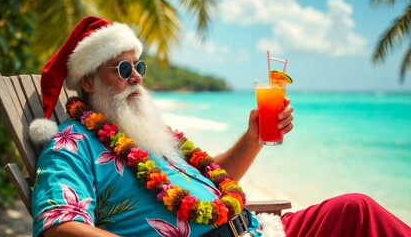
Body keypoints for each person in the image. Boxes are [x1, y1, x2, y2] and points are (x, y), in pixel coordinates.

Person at [29, 16, 411, 237]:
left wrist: (255, 138)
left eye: (139, 67)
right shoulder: (71, 148)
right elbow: (58, 225)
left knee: (357, 210)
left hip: (256, 228)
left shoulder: (145, 136)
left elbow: (213, 181)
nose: (136, 79)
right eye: (123, 69)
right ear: (89, 82)